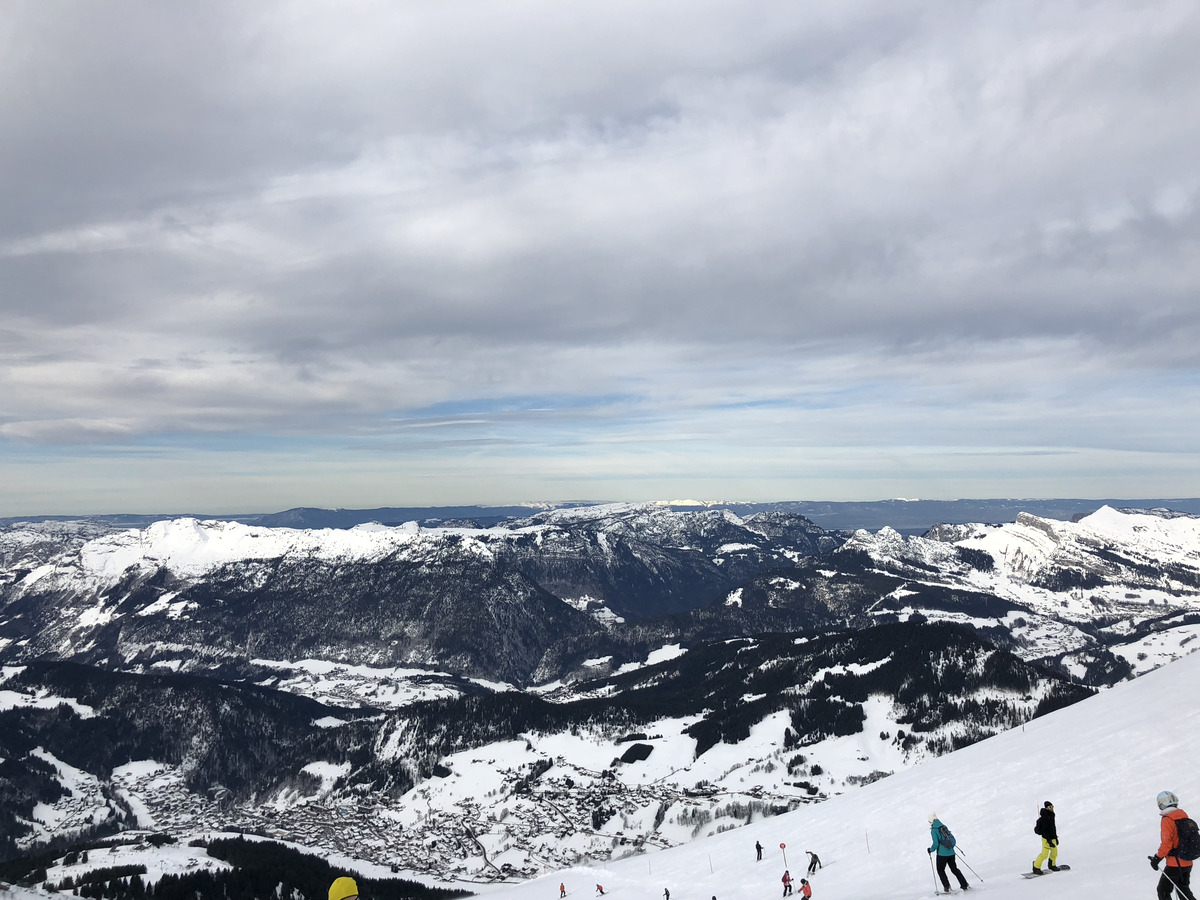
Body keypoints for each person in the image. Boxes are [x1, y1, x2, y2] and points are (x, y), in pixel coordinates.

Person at [1150, 791, 1197, 900]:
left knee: (1163, 890)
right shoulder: (1182, 816)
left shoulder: (1168, 819)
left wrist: (1157, 858)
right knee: (1183, 889)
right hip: (1187, 861)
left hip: (1175, 863)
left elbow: (1167, 843)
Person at [928, 813, 970, 893]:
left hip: (942, 854)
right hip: (951, 852)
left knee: (940, 870)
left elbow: (936, 844)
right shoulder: (944, 826)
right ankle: (964, 884)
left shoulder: (934, 830)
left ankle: (947, 887)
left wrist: (930, 850)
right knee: (954, 869)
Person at [1032, 801, 1061, 874]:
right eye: (1049, 807)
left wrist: (1055, 838)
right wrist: (1049, 841)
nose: (1051, 808)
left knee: (1054, 853)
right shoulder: (1044, 818)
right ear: (1046, 808)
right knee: (1044, 854)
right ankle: (1036, 867)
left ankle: (1052, 865)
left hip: (1053, 838)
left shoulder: (1051, 815)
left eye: (1052, 806)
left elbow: (1053, 828)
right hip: (1046, 839)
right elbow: (1045, 831)